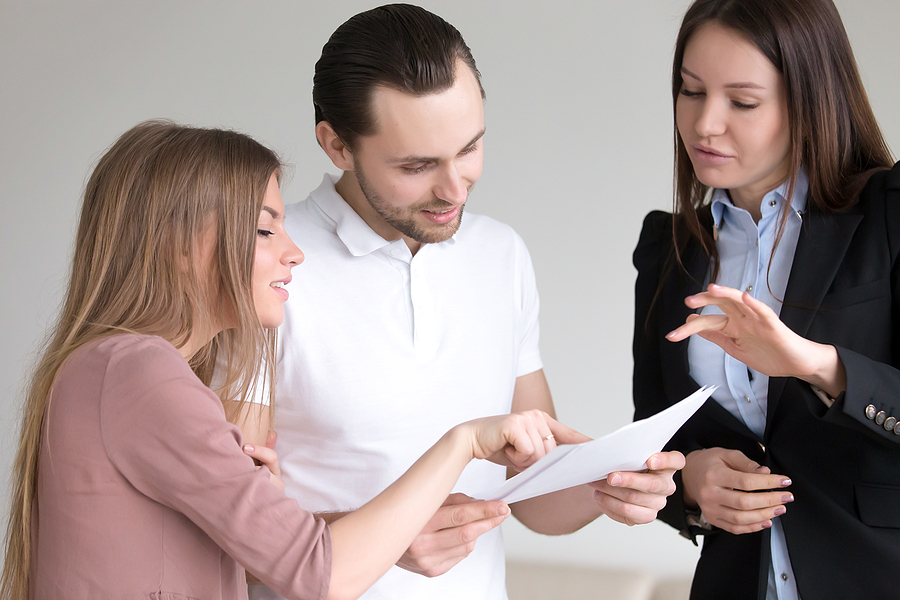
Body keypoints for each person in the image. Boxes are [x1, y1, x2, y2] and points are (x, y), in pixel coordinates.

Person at [1, 120, 585, 600]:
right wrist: (465, 442)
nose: (295, 251)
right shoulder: (139, 374)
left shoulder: (119, 371)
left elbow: (270, 556)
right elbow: (320, 573)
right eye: (263, 230)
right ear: (179, 246)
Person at [249, 5, 684, 600]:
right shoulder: (265, 265)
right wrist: (382, 540)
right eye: (417, 165)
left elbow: (529, 492)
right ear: (336, 145)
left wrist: (606, 487)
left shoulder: (499, 254)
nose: (454, 190)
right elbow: (220, 529)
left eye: (470, 148)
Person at [632, 0, 899, 598]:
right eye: (691, 91)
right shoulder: (669, 249)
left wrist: (814, 363)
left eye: (743, 102)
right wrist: (692, 484)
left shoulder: (888, 214)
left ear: (809, 101)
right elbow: (653, 439)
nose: (705, 124)